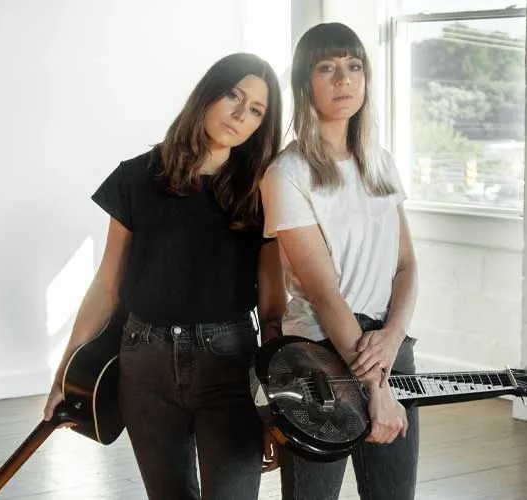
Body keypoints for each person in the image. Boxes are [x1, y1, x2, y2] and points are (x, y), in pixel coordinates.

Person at [43, 52, 285, 500]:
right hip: (144, 362)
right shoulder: (136, 177)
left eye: (256, 110)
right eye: (234, 95)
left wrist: (276, 404)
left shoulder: (262, 191)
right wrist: (65, 373)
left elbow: (273, 309)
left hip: (229, 365)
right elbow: (106, 285)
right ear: (207, 95)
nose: (240, 114)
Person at [260, 23, 419, 500]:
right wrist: (376, 387)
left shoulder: (380, 162)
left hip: (389, 349)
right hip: (318, 357)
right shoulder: (287, 174)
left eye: (353, 67)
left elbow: (407, 265)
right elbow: (325, 292)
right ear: (305, 84)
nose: (343, 80)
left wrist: (392, 339)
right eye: (326, 69)